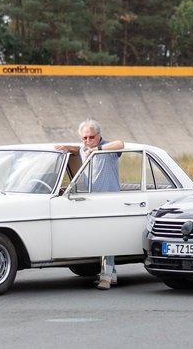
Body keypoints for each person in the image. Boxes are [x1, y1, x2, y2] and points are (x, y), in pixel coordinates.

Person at [55, 119, 124, 290]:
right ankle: (112, 274)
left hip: (110, 200)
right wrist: (66, 147)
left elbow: (120, 144)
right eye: (84, 138)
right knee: (100, 237)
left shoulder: (107, 148)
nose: (88, 141)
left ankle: (106, 277)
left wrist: (97, 149)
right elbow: (78, 148)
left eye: (91, 137)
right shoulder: (83, 148)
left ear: (99, 136)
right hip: (93, 200)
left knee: (106, 239)